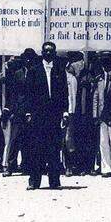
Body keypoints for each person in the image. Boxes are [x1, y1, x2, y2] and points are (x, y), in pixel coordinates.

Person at [23, 41, 68, 189]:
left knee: (54, 149)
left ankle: (54, 182)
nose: (48, 53)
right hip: (38, 116)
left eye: (51, 51)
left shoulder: (60, 70)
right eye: (46, 51)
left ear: (54, 53)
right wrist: (28, 112)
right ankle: (34, 182)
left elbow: (63, 93)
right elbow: (28, 93)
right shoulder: (33, 70)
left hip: (54, 116)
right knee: (36, 149)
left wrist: (65, 111)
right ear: (42, 53)